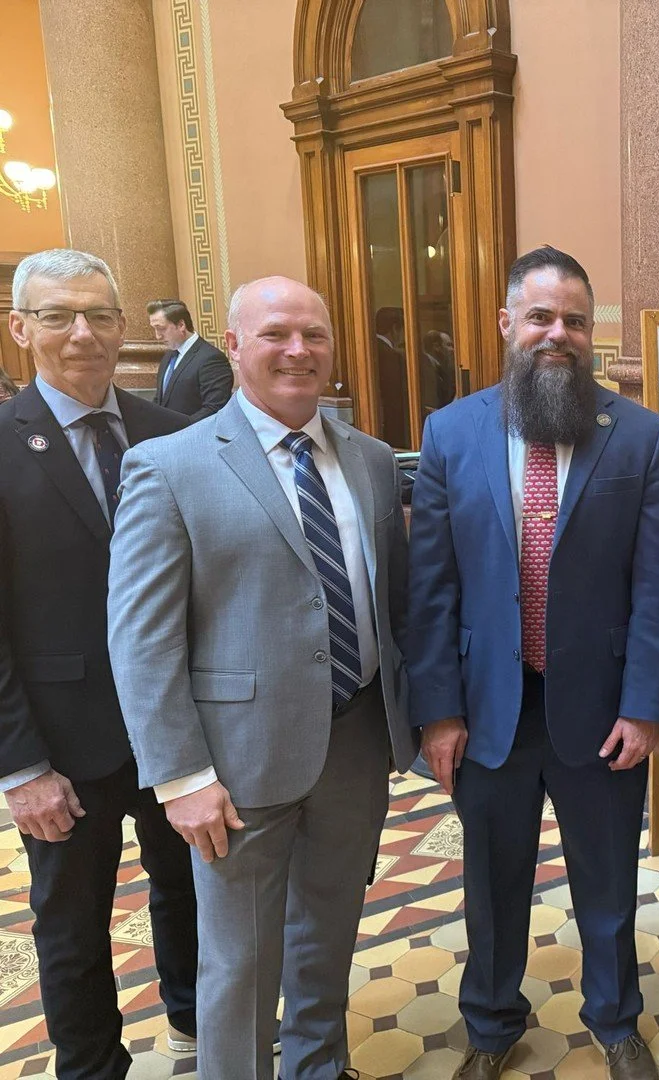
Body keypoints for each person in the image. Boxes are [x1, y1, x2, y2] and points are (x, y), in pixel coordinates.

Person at [108, 275, 417, 1080]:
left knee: (330, 931)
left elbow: (391, 601)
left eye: (314, 334)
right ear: (234, 345)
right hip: (235, 764)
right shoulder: (168, 466)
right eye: (276, 333)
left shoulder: (373, 460)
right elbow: (141, 639)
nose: (298, 350)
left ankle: (316, 1066)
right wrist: (179, 775)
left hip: (352, 742)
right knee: (240, 962)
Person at [407, 247, 659, 1080]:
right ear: (507, 325)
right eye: (540, 317)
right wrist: (439, 712)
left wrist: (645, 706)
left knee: (607, 874)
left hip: (601, 706)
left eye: (573, 320)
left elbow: (656, 579)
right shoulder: (451, 431)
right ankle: (492, 1026)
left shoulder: (639, 435)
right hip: (489, 704)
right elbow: (432, 588)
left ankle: (615, 1018)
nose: (557, 334)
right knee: (493, 883)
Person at [1, 249, 197, 1078]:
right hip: (61, 745)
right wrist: (19, 768)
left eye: (100, 315)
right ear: (21, 330)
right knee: (73, 924)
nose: (82, 334)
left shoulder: (172, 434)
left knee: (191, 897)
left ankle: (198, 1024)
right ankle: (90, 1066)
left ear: (125, 329)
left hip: (178, 735)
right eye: (57, 315)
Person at [146, 298, 234, 420]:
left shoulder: (211, 359)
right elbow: (160, 400)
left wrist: (181, 430)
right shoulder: (168, 357)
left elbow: (214, 409)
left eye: (161, 328)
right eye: (154, 329)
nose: (157, 336)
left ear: (181, 325)